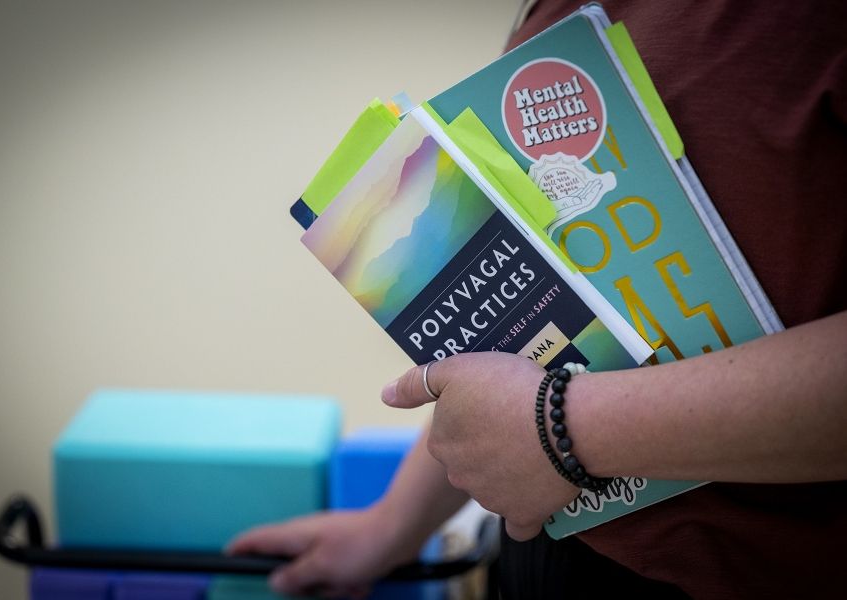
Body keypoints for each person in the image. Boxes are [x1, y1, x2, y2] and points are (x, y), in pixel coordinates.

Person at [229, 1, 847, 598]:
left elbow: (539, 412)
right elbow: (517, 360)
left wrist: (563, 427)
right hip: (545, 553)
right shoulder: (552, 10)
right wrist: (390, 527)